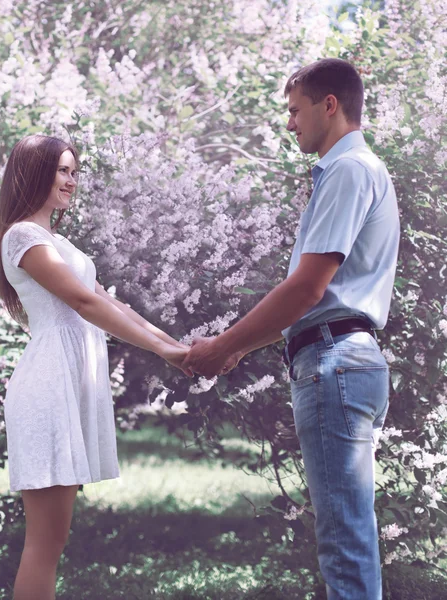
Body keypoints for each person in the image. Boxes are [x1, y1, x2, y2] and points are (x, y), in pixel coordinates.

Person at [183, 58, 400, 599]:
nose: (289, 124)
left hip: (335, 364)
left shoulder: (349, 170)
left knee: (345, 544)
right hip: (343, 357)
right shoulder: (355, 170)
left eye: (294, 111)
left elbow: (307, 290)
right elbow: (314, 300)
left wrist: (223, 346)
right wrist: (238, 351)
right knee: (350, 536)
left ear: (330, 105)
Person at [0, 134, 193, 600]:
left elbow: (110, 303)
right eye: (62, 170)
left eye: (73, 170)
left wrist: (176, 346)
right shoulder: (23, 236)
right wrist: (166, 354)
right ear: (34, 173)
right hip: (46, 390)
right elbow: (83, 302)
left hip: (66, 386)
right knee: (44, 543)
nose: (71, 179)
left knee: (53, 541)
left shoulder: (58, 241)